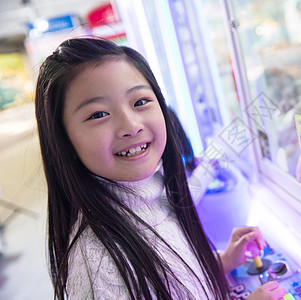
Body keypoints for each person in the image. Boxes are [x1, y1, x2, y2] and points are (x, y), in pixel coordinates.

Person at [35, 37, 287, 299]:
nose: (131, 126)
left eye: (140, 101)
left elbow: (173, 278)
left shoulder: (155, 189)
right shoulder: (99, 270)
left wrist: (222, 260)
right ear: (64, 141)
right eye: (98, 114)